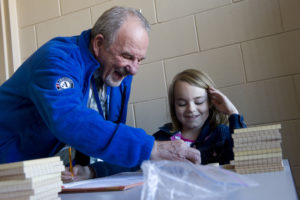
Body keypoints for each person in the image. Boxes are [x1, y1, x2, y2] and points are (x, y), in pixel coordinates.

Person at [0, 6, 200, 170]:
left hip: (44, 173)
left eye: (140, 60)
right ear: (98, 44)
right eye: (128, 56)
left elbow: (108, 132)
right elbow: (70, 119)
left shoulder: (116, 73)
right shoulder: (57, 59)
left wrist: (91, 171)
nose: (134, 69)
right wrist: (149, 148)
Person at [153, 69, 246, 165]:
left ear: (210, 102)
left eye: (199, 102)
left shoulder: (221, 134)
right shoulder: (161, 138)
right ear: (174, 106)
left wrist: (232, 112)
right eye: (182, 104)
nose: (191, 109)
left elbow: (245, 155)